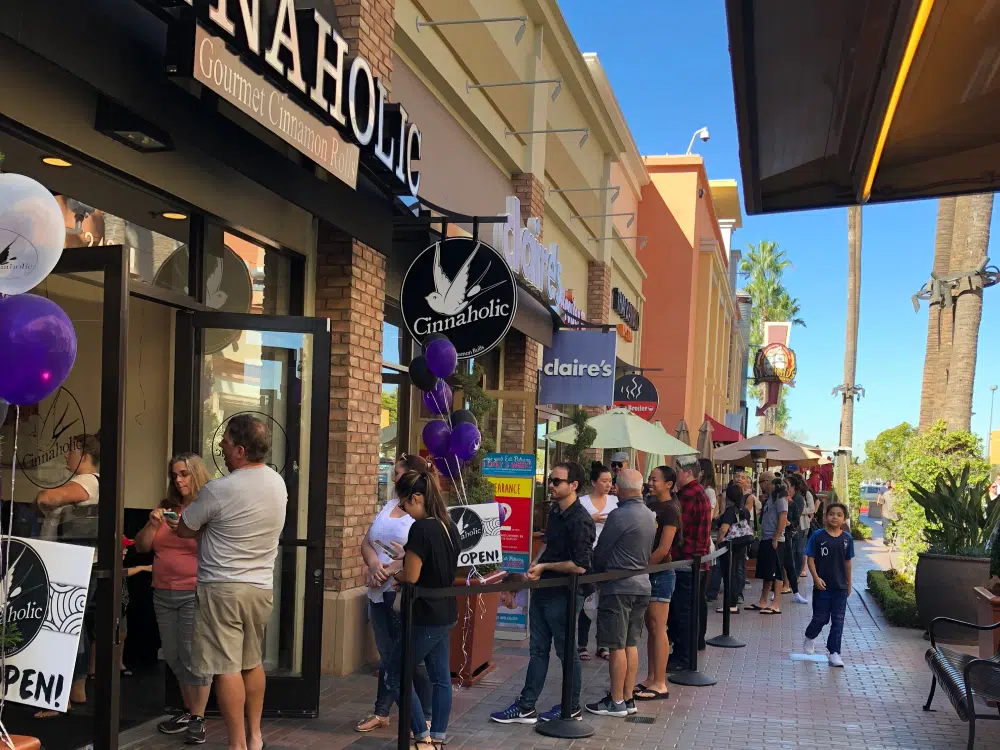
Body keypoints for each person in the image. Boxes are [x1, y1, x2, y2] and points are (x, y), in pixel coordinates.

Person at [172, 414, 287, 750]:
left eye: (224, 442)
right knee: (252, 663)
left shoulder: (219, 489)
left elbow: (184, 529)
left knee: (226, 668)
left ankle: (236, 744)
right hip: (261, 586)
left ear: (239, 450)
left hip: (221, 585)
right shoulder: (277, 483)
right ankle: (255, 736)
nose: (220, 447)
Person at [491, 462, 595, 724]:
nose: (551, 484)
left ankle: (571, 707)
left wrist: (545, 566)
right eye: (550, 479)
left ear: (573, 485)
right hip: (544, 589)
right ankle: (526, 706)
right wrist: (534, 566)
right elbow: (547, 545)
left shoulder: (580, 519)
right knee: (538, 650)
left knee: (566, 652)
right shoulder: (555, 513)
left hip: (564, 593)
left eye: (557, 481)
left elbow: (581, 565)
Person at [134, 452, 214, 735]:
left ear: (196, 474)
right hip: (162, 591)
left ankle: (199, 719)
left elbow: (211, 547)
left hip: (193, 591)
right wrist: (153, 525)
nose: (178, 480)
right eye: (175, 475)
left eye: (184, 474)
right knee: (173, 655)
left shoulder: (206, 505)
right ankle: (189, 713)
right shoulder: (167, 506)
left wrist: (184, 530)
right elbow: (142, 547)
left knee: (195, 656)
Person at [355, 455, 435, 733]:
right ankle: (381, 711)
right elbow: (367, 541)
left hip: (400, 593)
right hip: (377, 591)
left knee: (411, 658)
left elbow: (421, 553)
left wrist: (392, 570)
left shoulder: (423, 514)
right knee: (387, 656)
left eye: (397, 472)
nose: (392, 476)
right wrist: (374, 564)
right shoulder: (389, 505)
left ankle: (425, 715)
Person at [384, 469, 461, 750]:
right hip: (446, 610)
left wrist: (397, 575)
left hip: (425, 615)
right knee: (441, 679)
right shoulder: (447, 524)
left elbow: (412, 576)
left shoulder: (421, 528)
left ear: (416, 497)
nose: (403, 510)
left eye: (404, 504)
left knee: (395, 674)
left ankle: (422, 736)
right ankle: (438, 737)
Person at [34, 433, 101, 717]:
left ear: (84, 456)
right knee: (76, 628)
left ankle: (58, 696)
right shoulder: (92, 482)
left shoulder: (86, 482)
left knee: (63, 629)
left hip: (70, 564)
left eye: (70, 452)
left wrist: (42, 499)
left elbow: (49, 497)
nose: (66, 457)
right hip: (77, 564)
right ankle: (76, 689)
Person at [586, 469, 655, 717]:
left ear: (620, 488)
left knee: (616, 645)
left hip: (618, 586)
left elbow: (602, 550)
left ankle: (615, 701)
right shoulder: (649, 514)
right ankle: (627, 697)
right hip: (642, 583)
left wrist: (593, 574)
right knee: (631, 643)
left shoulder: (618, 515)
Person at [636, 466, 679, 702]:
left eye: (654, 479)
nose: (650, 483)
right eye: (649, 478)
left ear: (669, 484)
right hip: (648, 572)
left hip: (660, 573)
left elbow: (664, 548)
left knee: (658, 627)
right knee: (651, 629)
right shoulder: (650, 505)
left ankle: (660, 682)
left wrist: (643, 569)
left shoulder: (671, 509)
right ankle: (650, 677)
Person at [666, 454, 711, 672]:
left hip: (686, 559)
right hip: (694, 559)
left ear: (688, 473)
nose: (675, 475)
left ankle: (683, 656)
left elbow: (676, 528)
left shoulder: (689, 494)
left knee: (682, 612)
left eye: (677, 472)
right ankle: (685, 652)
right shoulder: (697, 492)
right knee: (686, 610)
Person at [803, 503, 855, 667]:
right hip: (822, 586)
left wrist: (849, 583)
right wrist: (816, 578)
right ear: (826, 516)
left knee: (838, 620)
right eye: (831, 514)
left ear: (843, 519)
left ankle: (834, 653)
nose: (835, 517)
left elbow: (848, 562)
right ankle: (810, 636)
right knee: (821, 618)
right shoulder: (818, 536)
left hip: (840, 586)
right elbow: (810, 559)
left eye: (839, 515)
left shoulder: (847, 539)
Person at [577, 463, 618, 661]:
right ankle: (581, 644)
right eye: (604, 480)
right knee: (588, 599)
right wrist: (591, 518)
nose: (608, 484)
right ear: (594, 482)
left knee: (606, 601)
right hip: (588, 555)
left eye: (610, 481)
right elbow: (575, 527)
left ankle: (603, 645)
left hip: (609, 556)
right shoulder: (582, 502)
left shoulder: (616, 501)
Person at [747, 472, 788, 615]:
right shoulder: (769, 498)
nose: (760, 486)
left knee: (776, 572)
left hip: (774, 539)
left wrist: (776, 537)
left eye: (761, 482)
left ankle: (775, 603)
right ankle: (763, 600)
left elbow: (783, 516)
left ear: (768, 482)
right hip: (766, 538)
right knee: (767, 572)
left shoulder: (780, 497)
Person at [715, 482, 752, 614]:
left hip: (729, 546)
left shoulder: (731, 511)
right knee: (736, 572)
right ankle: (734, 600)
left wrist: (718, 542)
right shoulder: (744, 510)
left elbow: (724, 529)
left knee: (729, 574)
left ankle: (730, 603)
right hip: (740, 545)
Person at [780, 477, 808, 604]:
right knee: (779, 565)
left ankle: (791, 588)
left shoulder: (796, 500)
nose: (785, 488)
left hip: (790, 534)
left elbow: (795, 519)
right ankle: (779, 590)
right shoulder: (778, 499)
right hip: (779, 536)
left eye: (787, 485)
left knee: (791, 560)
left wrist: (787, 523)